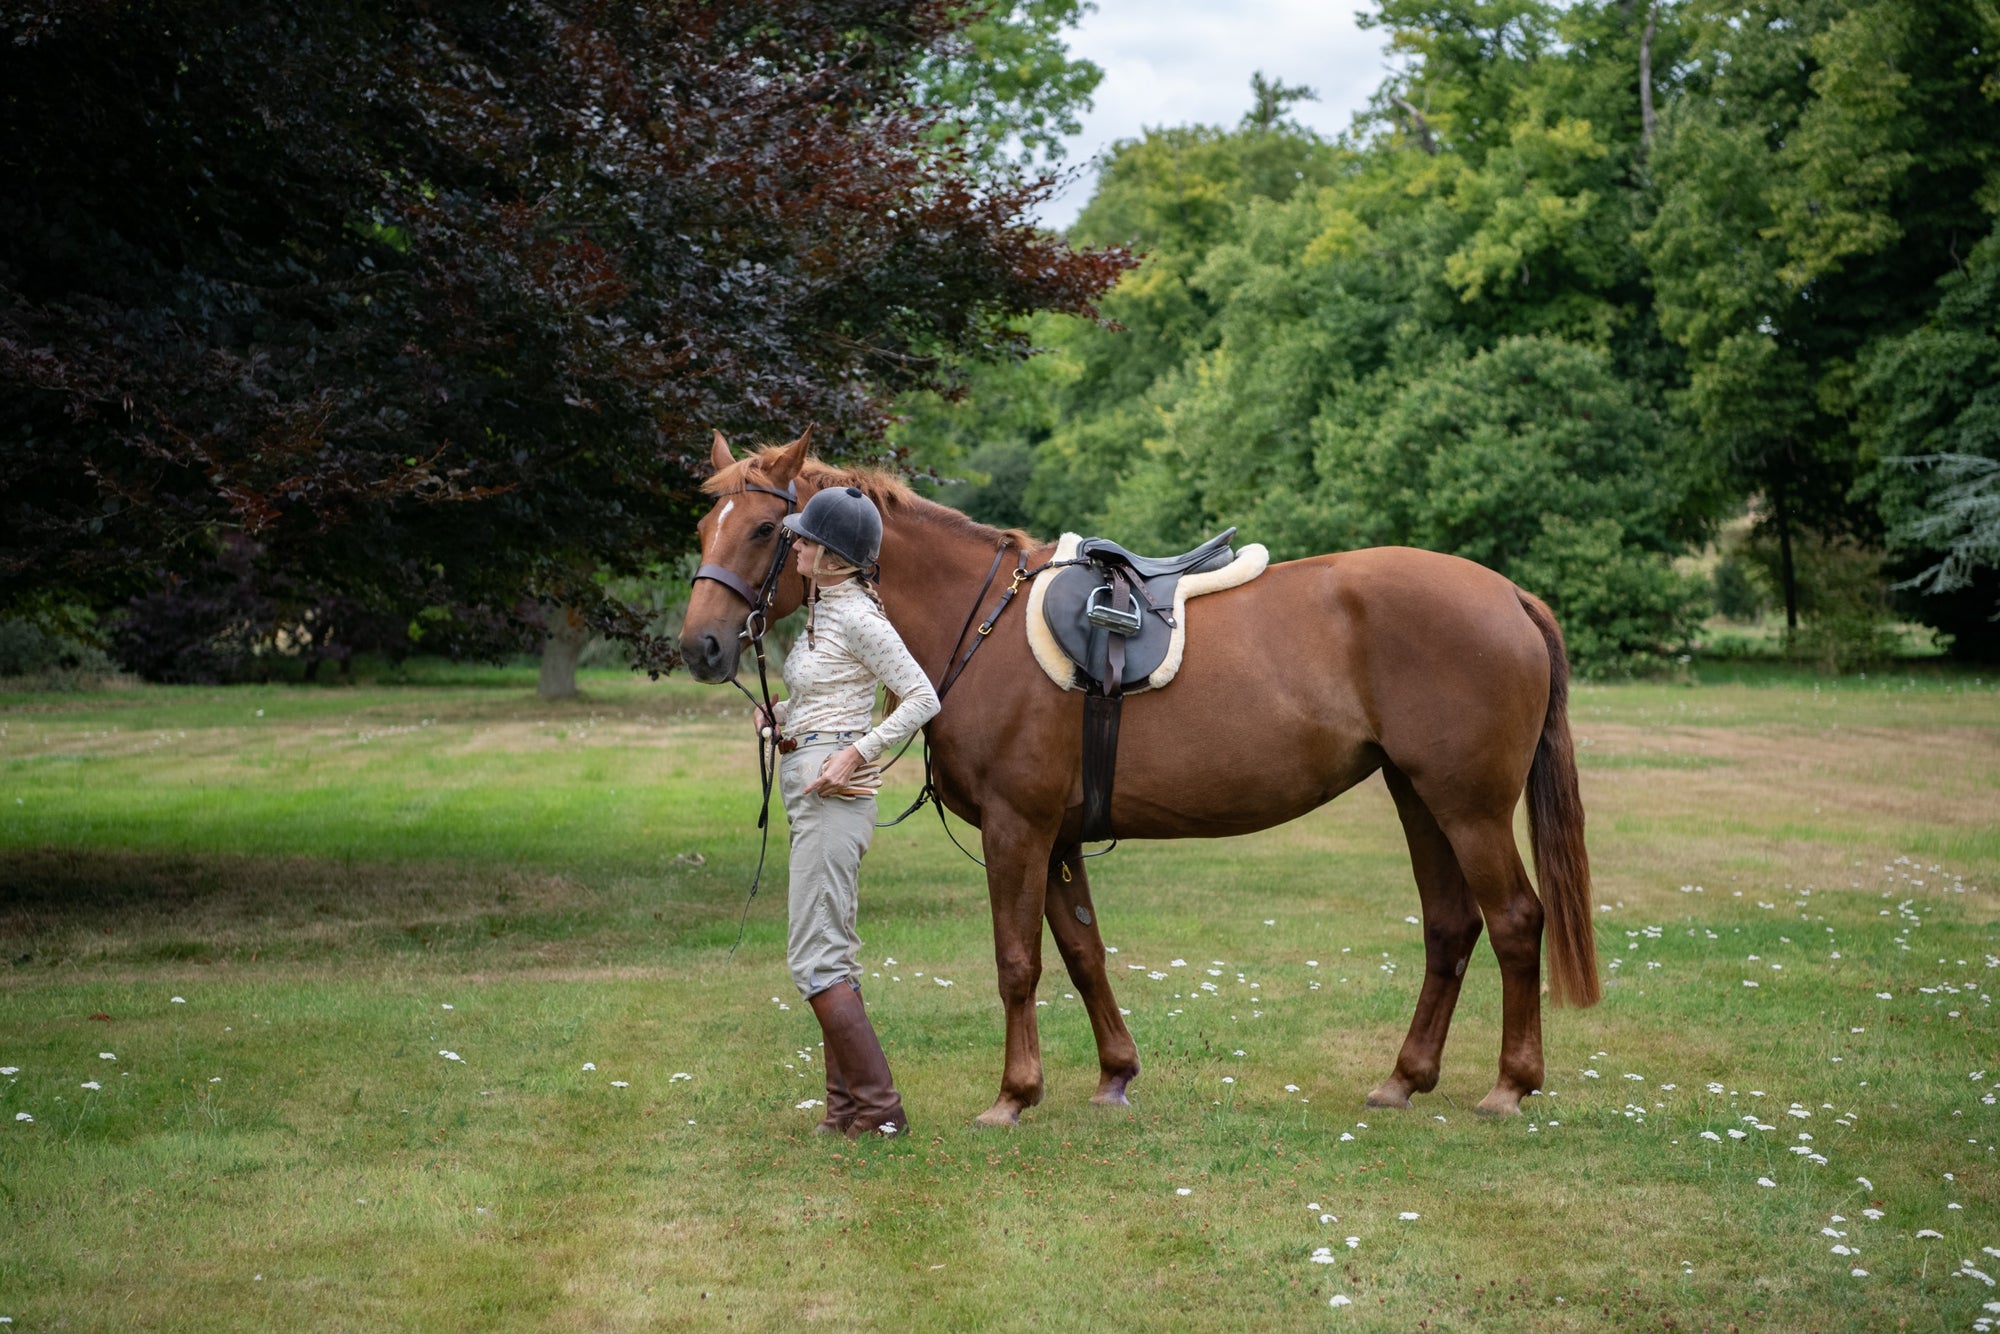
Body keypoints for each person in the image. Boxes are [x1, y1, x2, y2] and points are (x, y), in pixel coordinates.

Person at [755, 485, 939, 1137]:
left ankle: (881, 1113)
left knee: (815, 959)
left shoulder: (858, 615)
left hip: (833, 790)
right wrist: (782, 720)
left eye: (806, 539)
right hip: (811, 776)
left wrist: (853, 754)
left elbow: (921, 697)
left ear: (835, 556)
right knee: (829, 951)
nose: (796, 545)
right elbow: (831, 694)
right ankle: (846, 1114)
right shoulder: (823, 612)